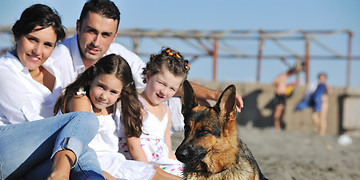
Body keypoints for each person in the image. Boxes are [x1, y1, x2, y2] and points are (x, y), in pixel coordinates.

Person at [0, 4, 130, 180]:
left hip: (26, 169)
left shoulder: (52, 72)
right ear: (18, 35)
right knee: (84, 120)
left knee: (85, 153)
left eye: (48, 45)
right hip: (7, 151)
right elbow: (34, 123)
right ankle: (59, 176)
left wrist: (79, 155)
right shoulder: (5, 72)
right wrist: (72, 148)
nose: (38, 51)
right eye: (32, 39)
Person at [51, 0, 243, 134]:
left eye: (105, 35)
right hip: (77, 129)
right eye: (91, 31)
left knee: (187, 104)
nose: (96, 41)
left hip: (116, 126)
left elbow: (160, 81)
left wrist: (214, 95)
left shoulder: (117, 53)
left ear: (115, 35)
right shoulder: (58, 59)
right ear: (77, 27)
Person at [54, 53, 186, 180]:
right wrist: (97, 171)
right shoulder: (81, 100)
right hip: (96, 163)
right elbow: (79, 143)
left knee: (157, 171)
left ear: (121, 93)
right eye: (101, 86)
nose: (104, 96)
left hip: (116, 161)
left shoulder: (112, 107)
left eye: (113, 91)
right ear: (92, 78)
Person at [119, 48, 187, 177]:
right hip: (140, 162)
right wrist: (148, 172)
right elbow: (134, 147)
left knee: (188, 173)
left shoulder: (167, 110)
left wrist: (174, 162)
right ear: (148, 76)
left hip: (161, 162)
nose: (165, 92)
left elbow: (167, 147)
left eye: (172, 88)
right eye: (161, 83)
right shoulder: (136, 104)